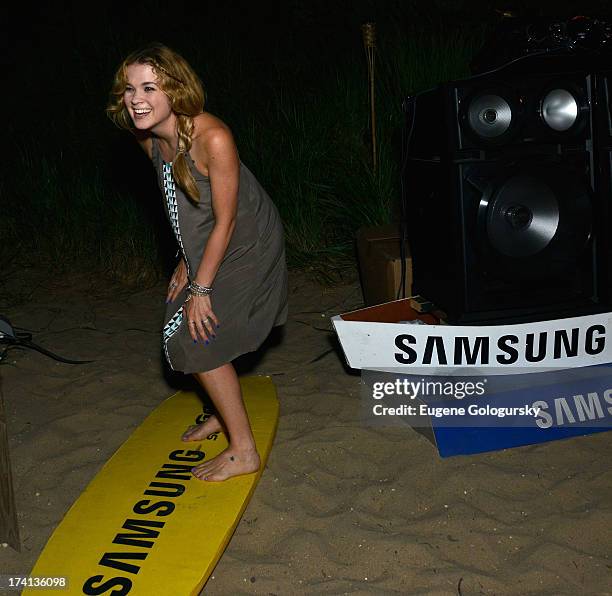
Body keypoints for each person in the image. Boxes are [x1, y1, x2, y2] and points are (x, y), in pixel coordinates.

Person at [106, 43, 288, 481]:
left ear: (176, 90)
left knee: (199, 337)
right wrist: (187, 259)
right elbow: (180, 204)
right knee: (178, 331)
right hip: (209, 239)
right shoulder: (146, 136)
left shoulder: (214, 138)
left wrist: (202, 288)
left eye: (150, 87)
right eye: (130, 88)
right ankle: (226, 412)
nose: (136, 98)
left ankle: (243, 451)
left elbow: (225, 220)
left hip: (248, 239)